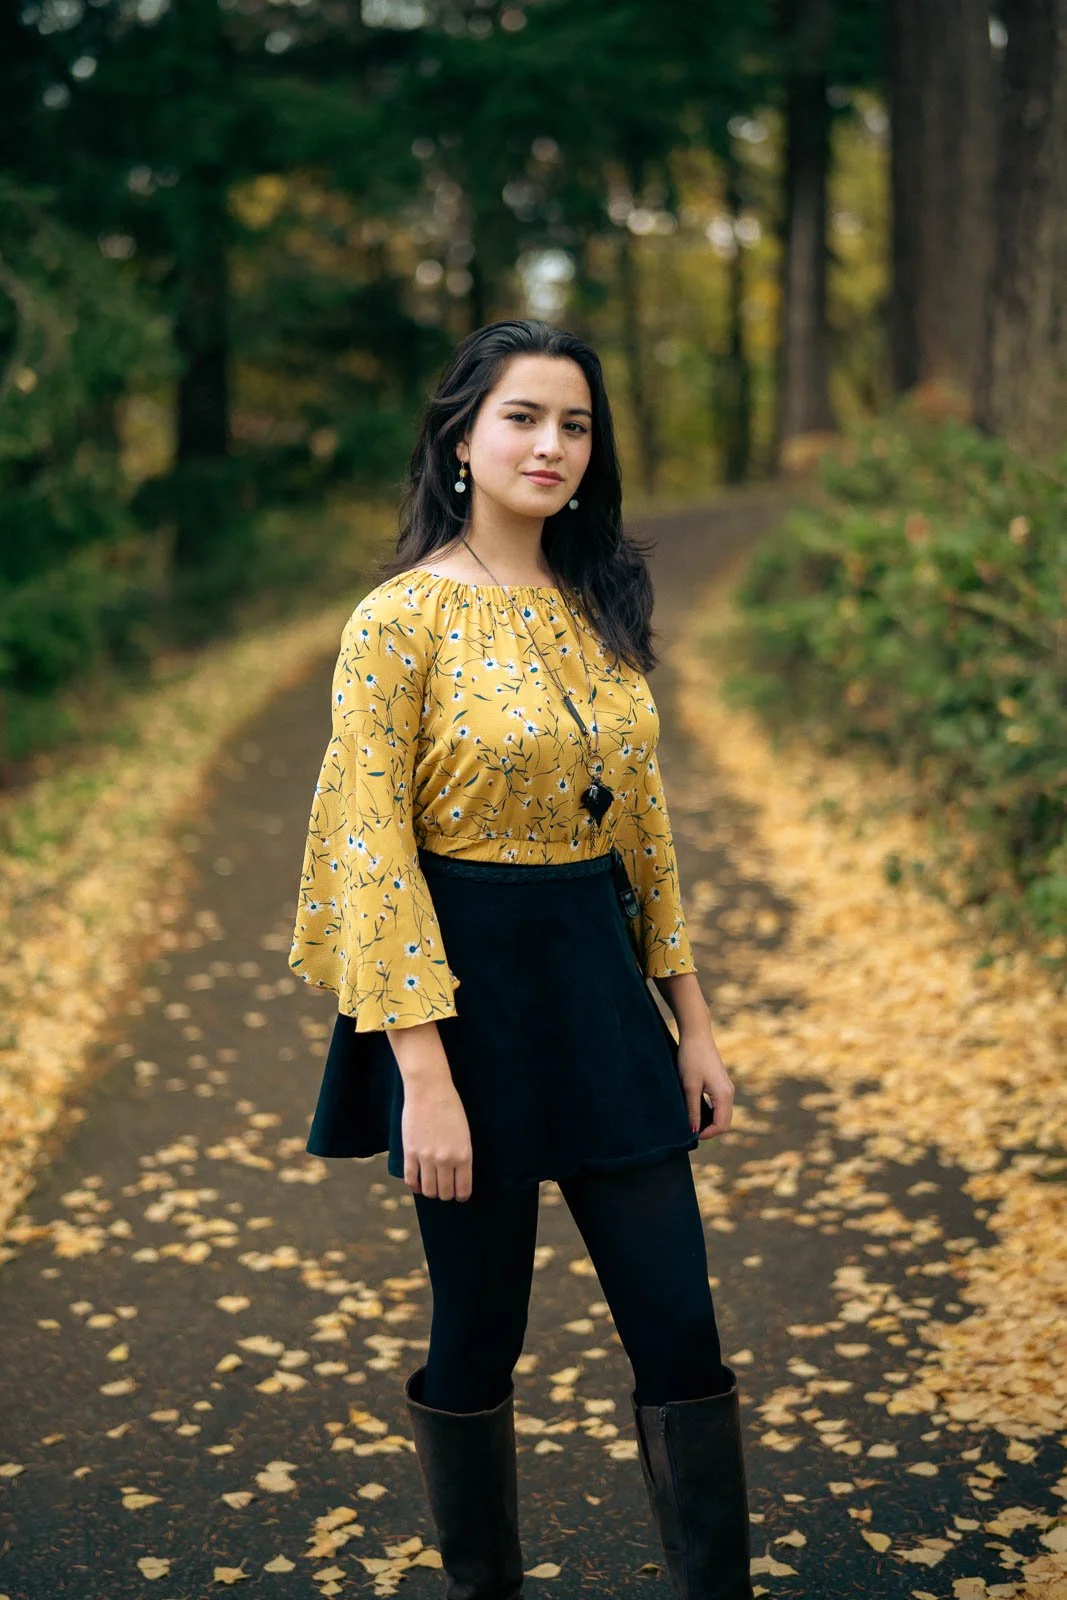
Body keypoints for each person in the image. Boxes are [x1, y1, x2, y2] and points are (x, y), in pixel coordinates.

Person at [288, 318, 755, 1599]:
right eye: (522, 417)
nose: (551, 444)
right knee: (478, 1333)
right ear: (460, 438)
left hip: (601, 998)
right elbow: (373, 853)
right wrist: (421, 1079)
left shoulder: (598, 603)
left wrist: (693, 1024)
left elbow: (642, 829)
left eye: (575, 424)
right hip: (463, 1010)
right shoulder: (397, 622)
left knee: (679, 1324)